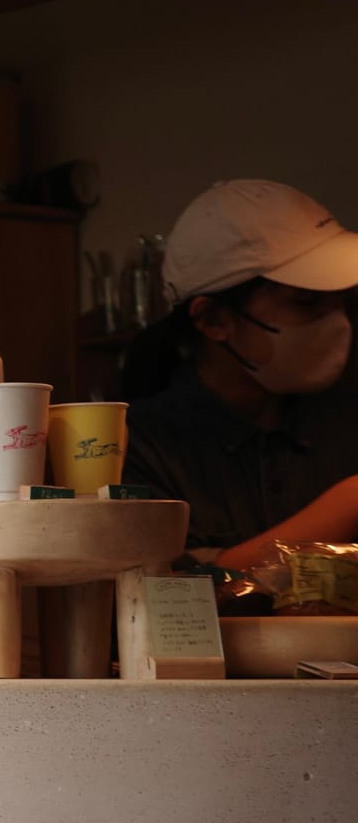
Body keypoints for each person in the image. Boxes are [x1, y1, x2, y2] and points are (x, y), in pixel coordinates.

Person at [121, 180, 358, 570]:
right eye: (306, 302)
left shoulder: (343, 419)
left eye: (343, 301)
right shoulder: (138, 445)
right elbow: (172, 595)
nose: (337, 323)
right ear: (213, 320)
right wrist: (347, 504)